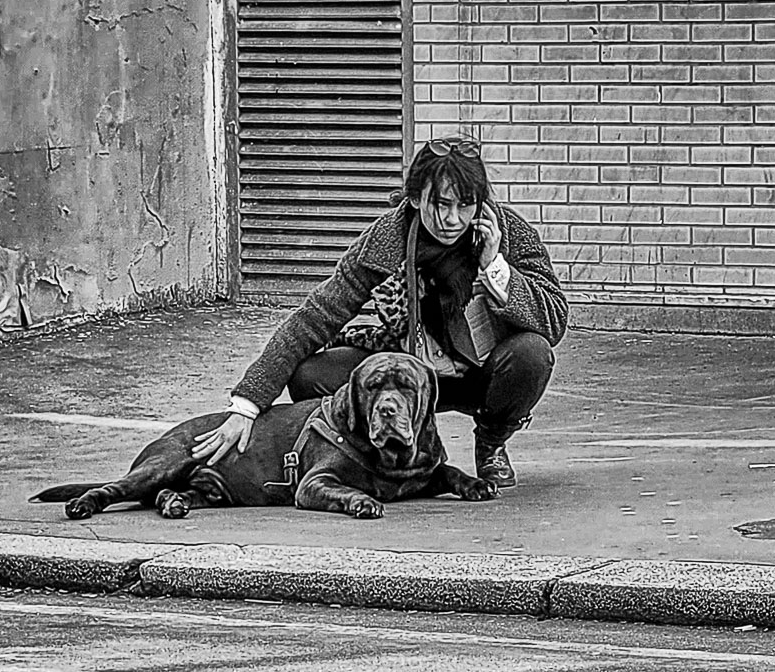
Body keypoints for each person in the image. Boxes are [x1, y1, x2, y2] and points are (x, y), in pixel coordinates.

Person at [192, 136, 568, 489]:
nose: (453, 219)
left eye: (465, 206)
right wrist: (247, 405)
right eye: (441, 204)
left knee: (532, 354)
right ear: (416, 198)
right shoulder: (386, 239)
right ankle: (369, 452)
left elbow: (553, 320)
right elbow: (315, 316)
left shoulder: (507, 232)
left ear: (480, 204)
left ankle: (492, 442)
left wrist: (495, 266)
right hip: (407, 376)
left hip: (483, 374)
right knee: (311, 375)